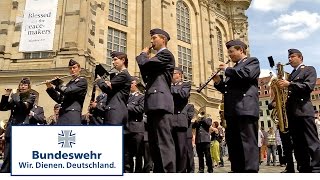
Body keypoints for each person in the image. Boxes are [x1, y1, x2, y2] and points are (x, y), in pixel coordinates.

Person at [213, 39, 260, 172]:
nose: (230, 55)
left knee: (247, 143)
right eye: (228, 52)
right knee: (234, 144)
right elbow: (229, 90)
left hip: (245, 109)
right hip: (232, 111)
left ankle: (250, 171)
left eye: (232, 52)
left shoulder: (251, 62)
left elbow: (246, 75)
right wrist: (218, 82)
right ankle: (237, 170)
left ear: (241, 50)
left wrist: (227, 69)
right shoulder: (233, 69)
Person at [136, 28, 175, 172]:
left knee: (163, 141)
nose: (151, 41)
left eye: (154, 38)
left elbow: (145, 64)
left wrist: (142, 54)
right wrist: (144, 59)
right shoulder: (156, 58)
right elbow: (145, 72)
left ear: (163, 39)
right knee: (154, 143)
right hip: (153, 102)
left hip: (161, 102)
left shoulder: (165, 54)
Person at [277, 48, 320, 172]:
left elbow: (308, 86)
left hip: (304, 111)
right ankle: (303, 167)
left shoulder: (308, 69)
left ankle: (317, 168)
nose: (289, 59)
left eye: (292, 57)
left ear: (300, 58)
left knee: (311, 141)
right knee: (298, 143)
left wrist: (289, 84)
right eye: (289, 57)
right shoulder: (291, 74)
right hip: (292, 113)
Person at [0, 78, 36, 173]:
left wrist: (15, 95)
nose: (22, 87)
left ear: (28, 87)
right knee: (7, 152)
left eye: (25, 85)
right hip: (11, 126)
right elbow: (3, 108)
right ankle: (5, 172)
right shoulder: (15, 96)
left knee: (19, 151)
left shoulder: (31, 96)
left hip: (21, 125)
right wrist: (6, 95)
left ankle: (19, 171)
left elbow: (23, 107)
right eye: (21, 85)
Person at [46, 59, 88, 125]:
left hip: (72, 113)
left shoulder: (82, 81)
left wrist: (58, 83)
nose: (72, 70)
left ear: (79, 69)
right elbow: (60, 99)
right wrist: (50, 87)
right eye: (70, 68)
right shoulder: (69, 83)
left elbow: (68, 91)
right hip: (63, 114)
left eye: (74, 68)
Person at [95, 51, 131, 125]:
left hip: (116, 111)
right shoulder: (120, 75)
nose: (113, 62)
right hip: (115, 110)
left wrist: (99, 80)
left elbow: (106, 88)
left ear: (123, 60)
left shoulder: (123, 74)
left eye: (115, 59)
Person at [171, 67, 191, 172]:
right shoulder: (168, 86)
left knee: (181, 148)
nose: (171, 75)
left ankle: (181, 171)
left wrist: (168, 89)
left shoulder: (185, 85)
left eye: (173, 73)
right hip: (168, 120)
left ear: (179, 75)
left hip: (179, 120)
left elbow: (183, 95)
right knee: (170, 149)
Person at [124, 76, 145, 173]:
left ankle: (138, 172)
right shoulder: (126, 97)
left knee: (138, 154)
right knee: (127, 154)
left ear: (136, 84)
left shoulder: (141, 97)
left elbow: (140, 109)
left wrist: (128, 106)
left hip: (136, 129)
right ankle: (128, 171)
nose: (129, 85)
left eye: (131, 83)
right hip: (126, 128)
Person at [185, 104, 195, 173]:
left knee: (189, 154)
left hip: (187, 134)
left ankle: (191, 171)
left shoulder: (190, 106)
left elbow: (190, 117)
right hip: (177, 133)